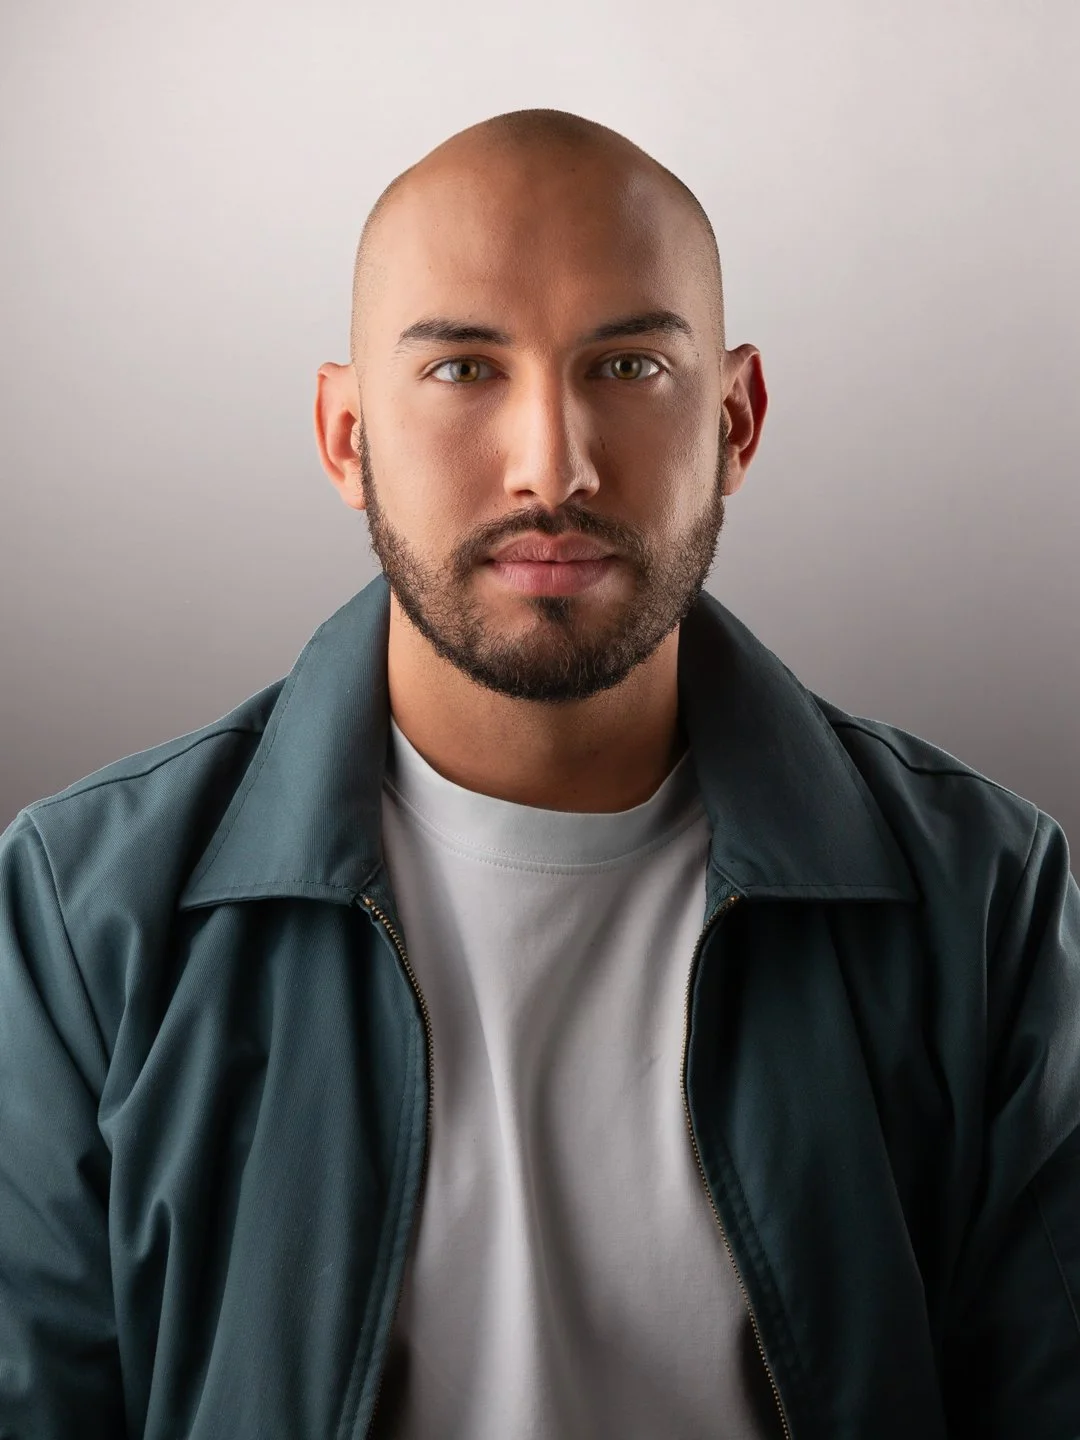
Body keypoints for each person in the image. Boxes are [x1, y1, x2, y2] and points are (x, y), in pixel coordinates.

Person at [1, 107, 1077, 1440]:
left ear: (737, 419)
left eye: (627, 365)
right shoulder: (81, 917)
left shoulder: (987, 901)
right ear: (347, 439)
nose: (552, 466)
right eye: (462, 371)